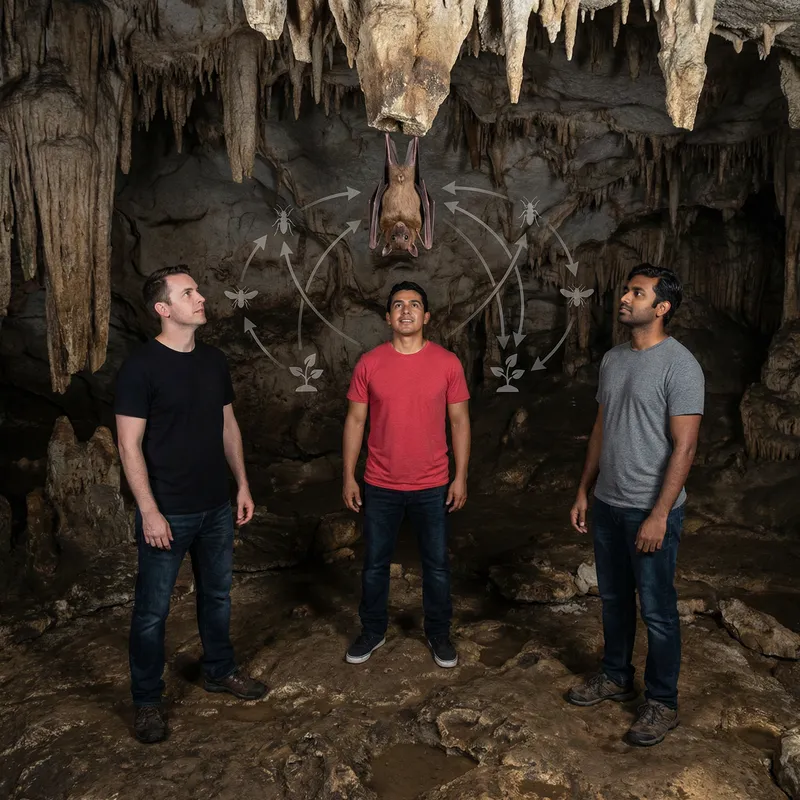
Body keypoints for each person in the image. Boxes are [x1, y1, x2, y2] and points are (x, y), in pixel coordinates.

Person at [115, 265, 266, 745]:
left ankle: (219, 670)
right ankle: (146, 701)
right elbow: (128, 446)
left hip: (215, 507)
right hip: (169, 509)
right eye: (188, 293)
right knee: (152, 612)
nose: (201, 297)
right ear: (164, 309)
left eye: (197, 290)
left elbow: (228, 425)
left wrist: (241, 484)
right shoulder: (140, 367)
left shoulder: (213, 360)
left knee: (217, 596)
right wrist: (150, 511)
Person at [567, 264, 704, 747]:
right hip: (608, 504)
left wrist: (661, 514)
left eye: (637, 293)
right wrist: (586, 489)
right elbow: (601, 430)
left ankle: (662, 703)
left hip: (651, 510)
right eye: (626, 289)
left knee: (659, 611)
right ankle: (615, 675)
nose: (625, 298)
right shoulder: (613, 360)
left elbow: (684, 448)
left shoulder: (680, 365)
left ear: (661, 308)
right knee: (613, 599)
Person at [342, 281, 471, 668]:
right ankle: (373, 630)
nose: (406, 311)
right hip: (380, 482)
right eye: (397, 305)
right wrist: (349, 474)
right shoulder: (370, 362)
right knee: (375, 563)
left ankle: (438, 633)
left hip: (432, 484)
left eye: (414, 305)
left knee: (436, 564)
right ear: (387, 317)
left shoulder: (447, 363)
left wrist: (460, 476)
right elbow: (355, 419)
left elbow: (460, 421)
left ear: (426, 316)